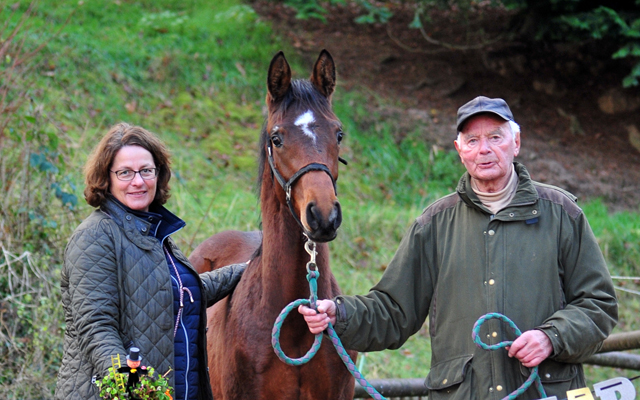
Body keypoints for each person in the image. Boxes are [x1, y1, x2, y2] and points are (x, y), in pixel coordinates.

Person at [299, 96, 618, 399]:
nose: (484, 150)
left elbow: (598, 304)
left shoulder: (562, 213)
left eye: (496, 137)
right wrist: (339, 314)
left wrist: (552, 337)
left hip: (546, 392)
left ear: (516, 144)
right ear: (459, 150)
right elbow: (394, 311)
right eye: (472, 140)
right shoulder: (433, 225)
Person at [55, 123, 247, 400]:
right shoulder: (96, 235)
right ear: (105, 177)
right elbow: (96, 325)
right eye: (125, 173)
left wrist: (248, 270)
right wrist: (129, 382)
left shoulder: (154, 233)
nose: (138, 181)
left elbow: (178, 296)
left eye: (146, 170)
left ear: (158, 174)